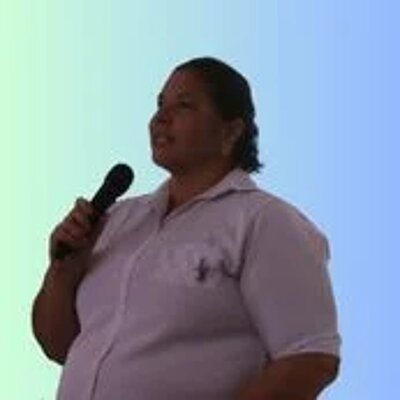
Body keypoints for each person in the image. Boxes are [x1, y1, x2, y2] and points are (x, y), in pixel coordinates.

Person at [31, 56, 341, 400]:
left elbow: (310, 359)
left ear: (230, 131)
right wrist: (62, 273)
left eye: (184, 105)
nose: (160, 118)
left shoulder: (265, 221)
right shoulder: (117, 219)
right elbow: (59, 347)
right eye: (159, 104)